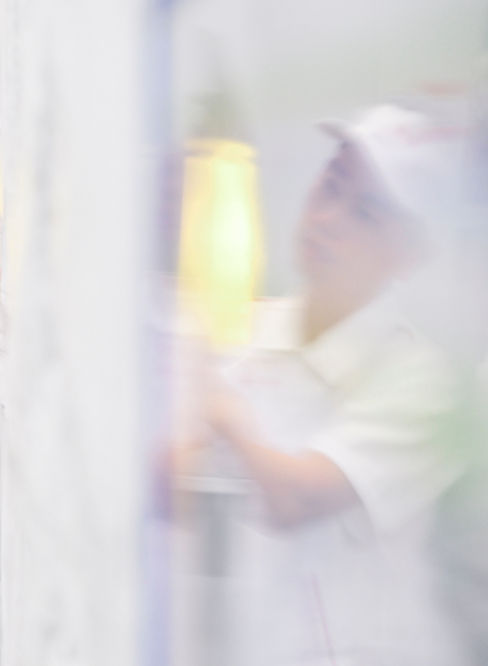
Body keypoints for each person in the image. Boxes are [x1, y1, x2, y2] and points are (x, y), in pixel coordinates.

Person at [174, 105, 465, 665]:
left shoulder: (425, 384)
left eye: (366, 213)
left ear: (410, 252)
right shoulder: (253, 332)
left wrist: (220, 408)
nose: (328, 219)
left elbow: (296, 496)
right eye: (330, 186)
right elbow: (174, 474)